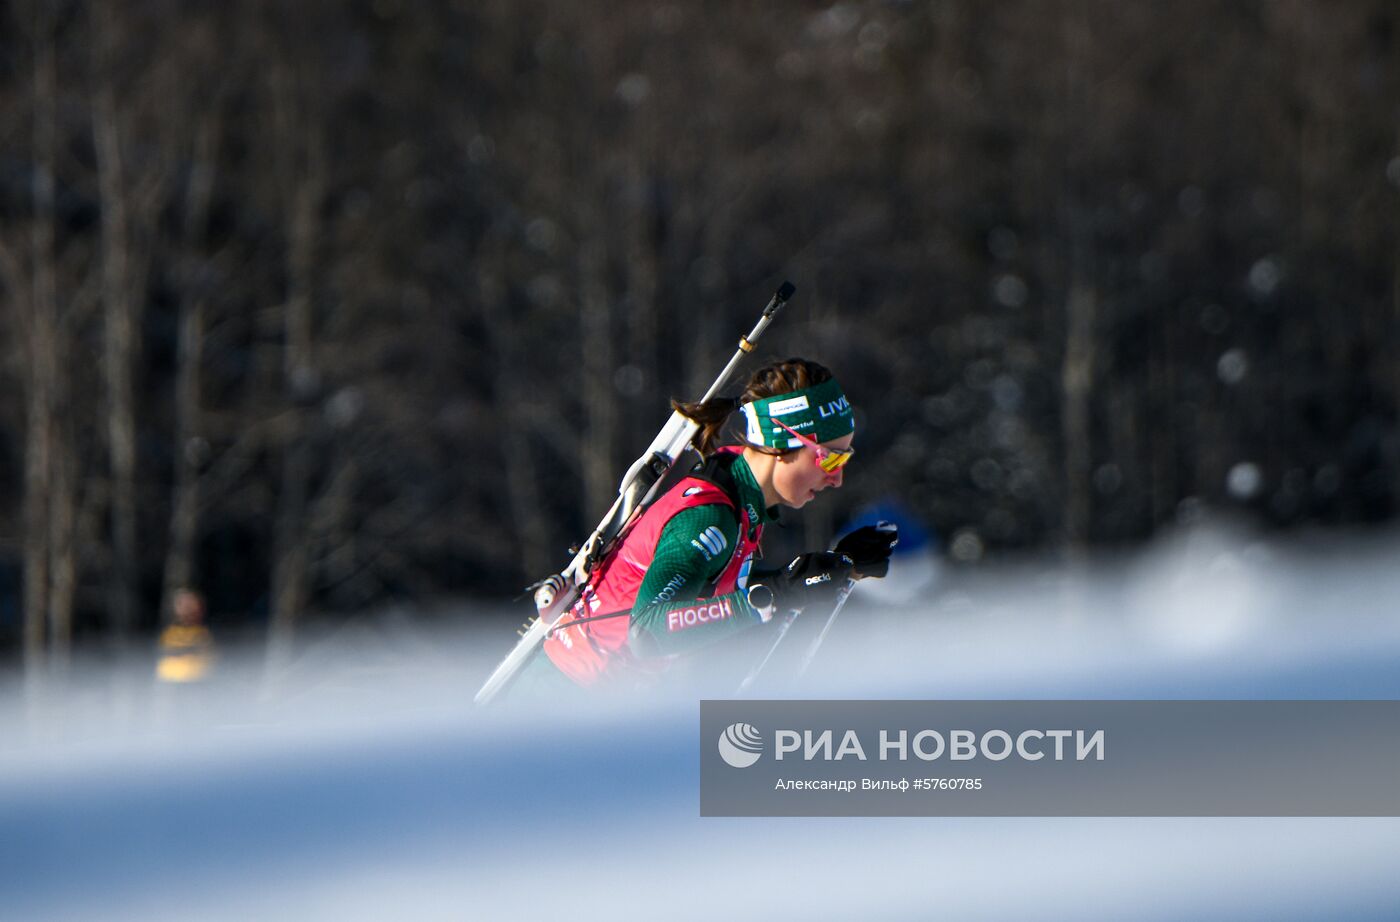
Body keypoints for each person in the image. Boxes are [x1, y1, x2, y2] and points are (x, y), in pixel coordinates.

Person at [514, 357, 897, 696]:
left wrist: (829, 569)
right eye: (830, 460)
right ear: (782, 443)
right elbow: (648, 631)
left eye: (845, 459)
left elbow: (708, 591)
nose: (837, 479)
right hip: (567, 696)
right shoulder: (710, 516)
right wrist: (778, 592)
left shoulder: (740, 492)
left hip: (597, 698)